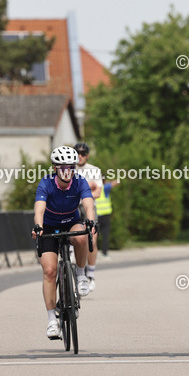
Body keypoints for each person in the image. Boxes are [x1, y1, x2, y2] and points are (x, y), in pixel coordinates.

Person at [31, 145, 97, 340]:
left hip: (71, 223)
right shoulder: (46, 183)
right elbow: (39, 210)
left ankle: (80, 275)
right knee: (49, 271)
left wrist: (91, 221)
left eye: (70, 167)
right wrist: (38, 226)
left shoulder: (79, 182)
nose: (67, 171)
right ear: (55, 169)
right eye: (62, 168)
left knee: (81, 235)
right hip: (49, 227)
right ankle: (52, 320)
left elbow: (88, 203)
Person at [74, 142, 103, 289]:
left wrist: (81, 195)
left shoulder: (94, 170)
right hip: (72, 206)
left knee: (91, 240)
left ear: (87, 155)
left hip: (89, 207)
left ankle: (90, 274)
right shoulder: (68, 170)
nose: (80, 156)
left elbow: (97, 193)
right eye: (77, 153)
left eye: (83, 153)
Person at [96, 178, 117, 258]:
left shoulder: (94, 189)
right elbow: (117, 181)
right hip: (105, 215)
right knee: (105, 235)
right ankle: (104, 253)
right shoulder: (105, 187)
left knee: (94, 236)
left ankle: (93, 253)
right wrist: (107, 182)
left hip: (96, 215)